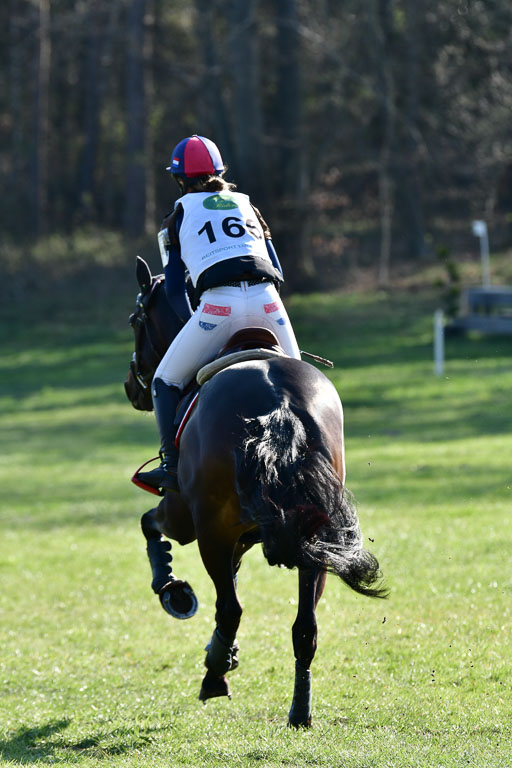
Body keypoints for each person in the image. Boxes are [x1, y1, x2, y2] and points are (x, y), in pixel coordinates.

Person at [138, 134, 301, 493]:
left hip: (218, 306)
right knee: (301, 382)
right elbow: (277, 268)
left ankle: (170, 467)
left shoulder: (175, 218)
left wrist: (193, 324)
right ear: (221, 172)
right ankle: (310, 456)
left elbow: (174, 288)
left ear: (179, 180)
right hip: (269, 302)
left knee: (163, 382)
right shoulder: (249, 206)